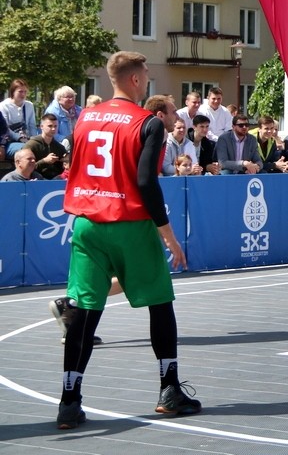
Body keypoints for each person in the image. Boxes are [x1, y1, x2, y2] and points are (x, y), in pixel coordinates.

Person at [55, 52, 200, 429]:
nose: (148, 78)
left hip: (87, 223)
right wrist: (167, 233)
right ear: (135, 80)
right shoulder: (147, 123)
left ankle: (69, 400)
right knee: (160, 303)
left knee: (83, 313)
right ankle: (169, 390)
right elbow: (146, 182)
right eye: (147, 73)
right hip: (129, 223)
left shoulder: (85, 117)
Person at [1, 78, 38, 158]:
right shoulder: (4, 106)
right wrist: (19, 138)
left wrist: (35, 140)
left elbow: (32, 126)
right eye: (20, 92)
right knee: (27, 150)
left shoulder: (29, 105)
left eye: (25, 92)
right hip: (9, 141)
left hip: (27, 139)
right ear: (13, 92)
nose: (23, 94)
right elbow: (5, 129)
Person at [27, 114, 68, 180]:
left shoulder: (59, 147)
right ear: (41, 126)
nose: (53, 129)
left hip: (56, 181)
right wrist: (44, 161)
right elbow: (25, 167)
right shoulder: (31, 145)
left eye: (55, 126)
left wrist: (65, 160)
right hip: (36, 180)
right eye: (50, 126)